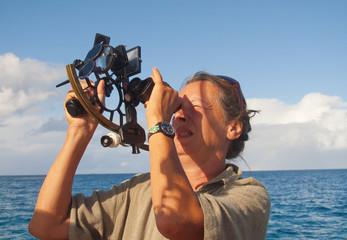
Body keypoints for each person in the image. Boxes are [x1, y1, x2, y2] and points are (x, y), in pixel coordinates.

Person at [29, 68, 270, 240]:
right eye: (177, 107)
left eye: (195, 107)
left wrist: (157, 121)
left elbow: (176, 221)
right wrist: (79, 132)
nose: (179, 115)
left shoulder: (249, 196)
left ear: (233, 127)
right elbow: (47, 225)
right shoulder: (140, 189)